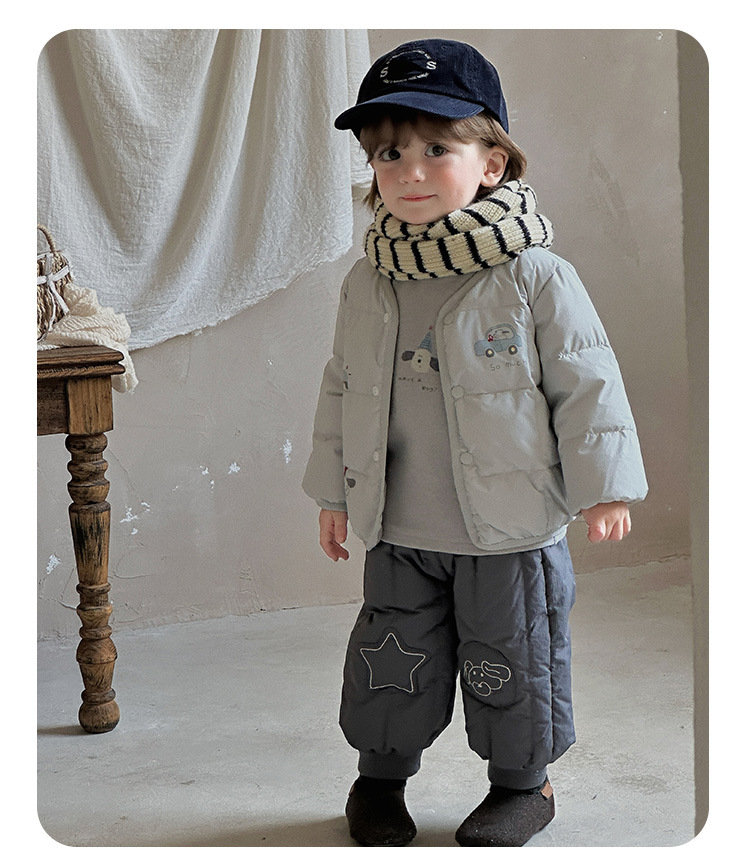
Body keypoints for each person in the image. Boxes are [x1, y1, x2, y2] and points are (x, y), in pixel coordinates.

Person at [302, 38, 647, 848]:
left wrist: (604, 485)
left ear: (491, 163)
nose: (410, 171)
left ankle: (524, 786)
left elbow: (587, 381)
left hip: (508, 531)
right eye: (390, 153)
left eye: (437, 149)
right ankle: (379, 780)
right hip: (400, 529)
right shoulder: (369, 279)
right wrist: (333, 493)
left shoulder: (534, 275)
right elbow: (342, 387)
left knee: (514, 660)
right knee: (391, 660)